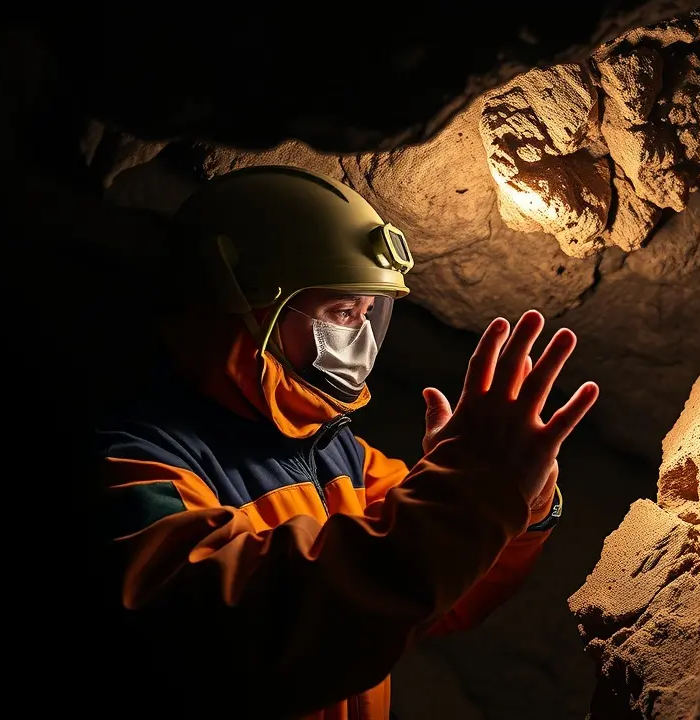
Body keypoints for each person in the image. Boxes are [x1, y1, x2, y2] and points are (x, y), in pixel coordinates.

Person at [91, 165, 598, 719]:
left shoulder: (337, 451)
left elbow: (435, 598)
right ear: (246, 307)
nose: (357, 335)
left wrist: (524, 501)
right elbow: (249, 635)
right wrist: (473, 490)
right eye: (339, 311)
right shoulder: (135, 467)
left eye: (366, 313)